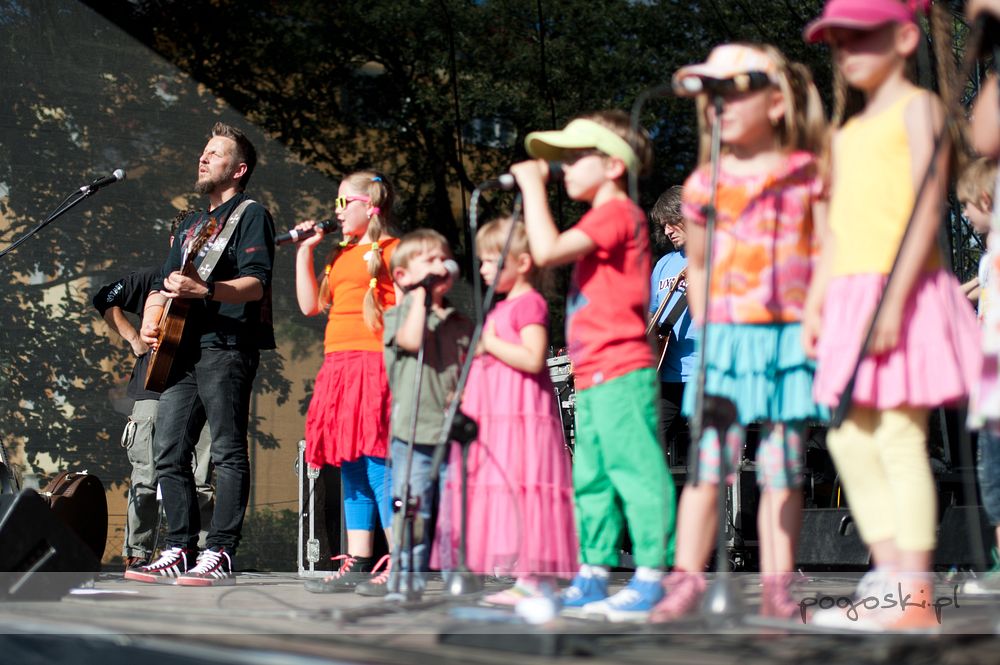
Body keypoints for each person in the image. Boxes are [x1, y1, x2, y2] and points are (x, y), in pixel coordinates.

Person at [802, 1, 980, 630]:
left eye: (862, 36)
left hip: (902, 285)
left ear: (905, 39)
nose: (848, 51)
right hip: (850, 295)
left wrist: (896, 297)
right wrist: (816, 303)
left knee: (900, 436)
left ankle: (914, 595)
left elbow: (927, 209)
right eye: (839, 41)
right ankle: (891, 575)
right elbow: (834, 232)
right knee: (847, 437)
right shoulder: (843, 135)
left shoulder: (919, 108)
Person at [647, 43, 828, 622]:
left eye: (731, 92)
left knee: (782, 465)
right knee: (707, 466)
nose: (717, 105)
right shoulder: (704, 185)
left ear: (775, 103)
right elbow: (699, 269)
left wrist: (814, 320)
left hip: (786, 342)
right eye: (710, 95)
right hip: (727, 345)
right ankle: (685, 580)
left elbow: (825, 254)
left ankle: (778, 585)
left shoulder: (804, 173)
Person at [509, 110, 676, 623]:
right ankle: (593, 571)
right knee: (592, 477)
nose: (562, 168)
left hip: (622, 369)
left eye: (574, 157)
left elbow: (547, 250)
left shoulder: (617, 213)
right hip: (594, 373)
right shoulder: (599, 219)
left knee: (636, 470)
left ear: (612, 166)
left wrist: (531, 186)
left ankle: (652, 575)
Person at [128, 122, 276, 586]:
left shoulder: (250, 214)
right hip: (181, 349)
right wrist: (151, 318)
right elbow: (162, 283)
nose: (204, 157)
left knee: (227, 450)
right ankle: (179, 547)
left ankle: (221, 550)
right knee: (168, 451)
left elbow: (256, 283)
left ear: (239, 169)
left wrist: (207, 290)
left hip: (226, 347)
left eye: (215, 153)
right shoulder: (192, 224)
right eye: (204, 151)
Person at [433, 217, 578, 605]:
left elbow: (532, 357)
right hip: (501, 414)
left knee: (526, 492)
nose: (483, 269)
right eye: (481, 261)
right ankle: (525, 577)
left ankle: (536, 578)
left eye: (490, 260)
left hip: (522, 414)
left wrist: (489, 344)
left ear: (523, 262)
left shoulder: (529, 303)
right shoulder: (503, 306)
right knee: (509, 491)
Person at [294, 171, 400, 594]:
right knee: (350, 463)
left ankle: (401, 563)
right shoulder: (340, 254)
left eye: (343, 203)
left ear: (369, 206)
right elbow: (309, 305)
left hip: (375, 364)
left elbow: (410, 310)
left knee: (378, 462)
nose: (336, 212)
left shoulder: (395, 250)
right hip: (338, 366)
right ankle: (358, 561)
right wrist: (305, 251)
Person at [92, 213, 215, 570]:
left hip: (201, 390)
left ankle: (200, 554)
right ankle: (139, 553)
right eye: (186, 239)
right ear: (174, 242)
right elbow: (104, 298)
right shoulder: (153, 278)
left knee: (200, 479)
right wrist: (134, 338)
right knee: (146, 476)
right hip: (153, 388)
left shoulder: (212, 283)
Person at [382, 229, 473, 599]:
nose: (440, 265)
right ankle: (406, 579)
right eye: (429, 260)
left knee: (455, 514)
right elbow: (411, 340)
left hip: (451, 435)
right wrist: (419, 295)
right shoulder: (398, 315)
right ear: (402, 276)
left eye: (443, 258)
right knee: (412, 512)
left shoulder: (459, 321)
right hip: (412, 434)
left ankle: (456, 577)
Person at [960, 157, 1000, 595]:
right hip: (989, 380)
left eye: (967, 206)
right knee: (993, 476)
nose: (964, 215)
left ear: (986, 200)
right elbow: (976, 286)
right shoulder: (989, 258)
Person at [648, 186, 697, 466]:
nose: (666, 231)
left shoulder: (716, 258)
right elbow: (652, 314)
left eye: (671, 222)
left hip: (705, 374)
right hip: (667, 376)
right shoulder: (663, 265)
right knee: (648, 447)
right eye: (663, 225)